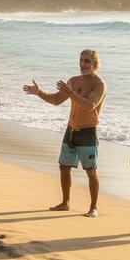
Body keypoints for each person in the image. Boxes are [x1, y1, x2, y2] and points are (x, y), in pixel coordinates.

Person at [23, 49, 107, 218]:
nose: (83, 64)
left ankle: (93, 207)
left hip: (88, 131)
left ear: (95, 64)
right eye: (81, 60)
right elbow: (56, 100)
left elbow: (90, 105)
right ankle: (65, 202)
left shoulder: (100, 84)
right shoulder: (74, 81)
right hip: (71, 130)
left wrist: (71, 93)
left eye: (87, 61)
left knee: (91, 170)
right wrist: (39, 92)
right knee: (64, 166)